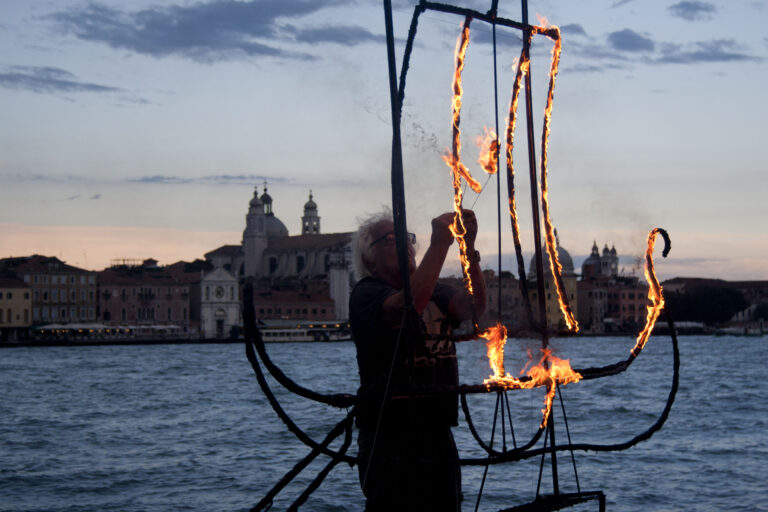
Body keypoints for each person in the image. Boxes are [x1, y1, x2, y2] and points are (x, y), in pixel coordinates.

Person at [350, 209, 486, 511]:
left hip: (437, 431)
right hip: (390, 436)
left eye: (407, 238)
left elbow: (474, 306)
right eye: (390, 238)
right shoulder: (366, 294)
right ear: (369, 258)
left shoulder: (435, 289)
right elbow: (407, 308)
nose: (405, 244)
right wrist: (439, 245)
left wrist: (468, 249)